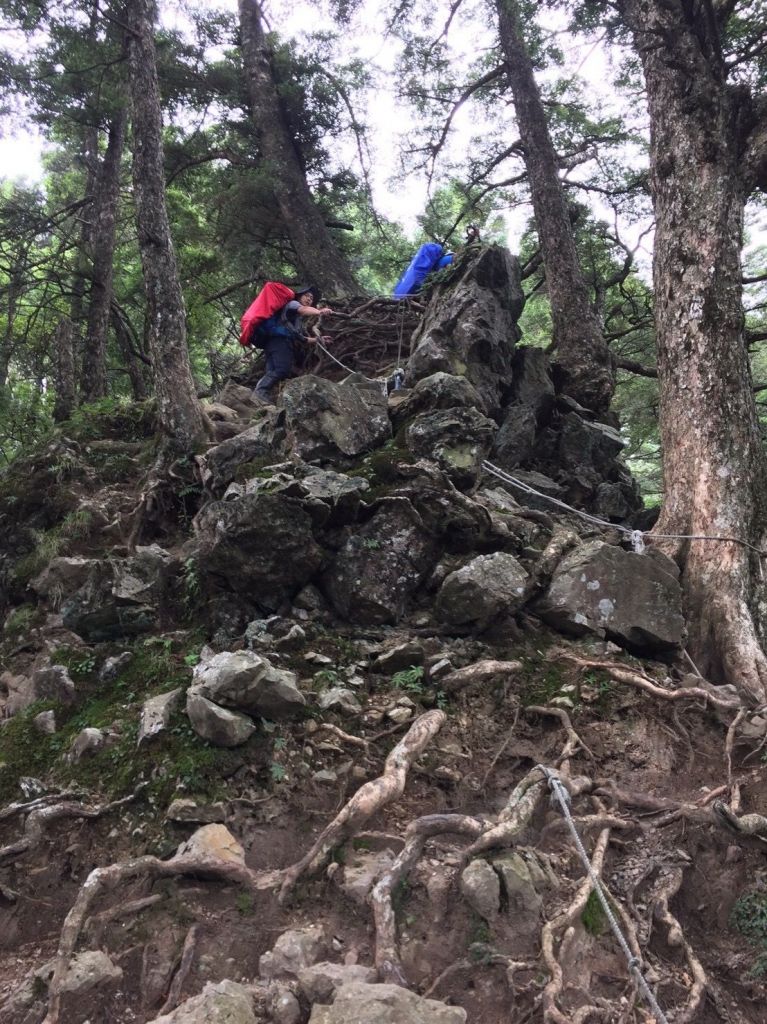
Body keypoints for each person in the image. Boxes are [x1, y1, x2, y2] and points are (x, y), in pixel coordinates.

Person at [253, 285, 334, 404]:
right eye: (307, 296)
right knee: (282, 370)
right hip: (279, 342)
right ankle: (259, 392)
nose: (309, 299)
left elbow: (301, 338)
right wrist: (320, 311)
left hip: (272, 343)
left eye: (311, 299)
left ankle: (261, 397)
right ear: (299, 296)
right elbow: (303, 310)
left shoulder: (296, 320)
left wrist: (318, 339)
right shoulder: (293, 304)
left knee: (272, 371)